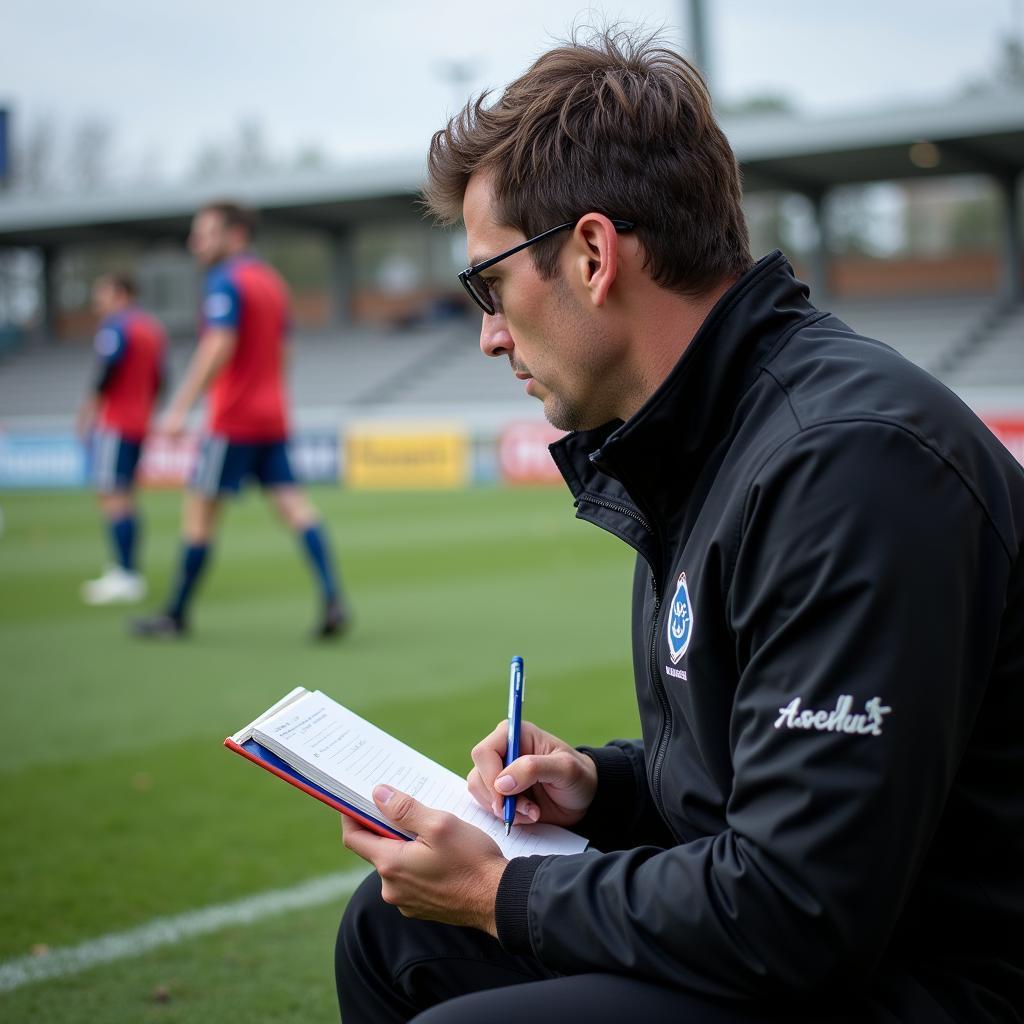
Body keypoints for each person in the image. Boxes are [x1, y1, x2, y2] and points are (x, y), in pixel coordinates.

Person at [333, 28, 1024, 1024]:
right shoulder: (700, 439)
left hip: (931, 979)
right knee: (394, 932)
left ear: (591, 253)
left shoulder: (849, 463)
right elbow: (757, 790)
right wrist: (601, 789)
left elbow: (796, 909)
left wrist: (500, 890)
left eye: (490, 284)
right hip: (837, 939)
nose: (488, 333)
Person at [132, 200, 349, 639]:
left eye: (205, 233)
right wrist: (269, 393)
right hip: (272, 417)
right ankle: (332, 597)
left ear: (235, 236)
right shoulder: (271, 282)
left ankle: (175, 613)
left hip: (232, 420)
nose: (197, 243)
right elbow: (287, 349)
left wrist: (178, 408)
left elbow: (219, 344)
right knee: (295, 507)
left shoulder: (225, 280)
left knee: (198, 513)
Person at [77, 273, 166, 605]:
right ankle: (127, 571)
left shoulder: (117, 326)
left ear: (120, 294)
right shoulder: (152, 329)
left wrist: (87, 413)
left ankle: (125, 573)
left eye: (102, 293)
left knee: (113, 495)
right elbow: (160, 378)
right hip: (139, 422)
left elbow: (107, 373)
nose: (98, 301)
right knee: (125, 494)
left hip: (116, 423)